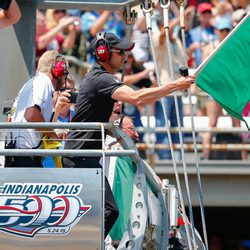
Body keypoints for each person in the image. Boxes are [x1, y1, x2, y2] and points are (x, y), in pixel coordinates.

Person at [62, 32, 195, 237]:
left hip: (81, 155)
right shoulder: (102, 78)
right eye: (120, 52)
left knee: (99, 212)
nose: (125, 57)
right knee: (108, 211)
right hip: (80, 156)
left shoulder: (99, 76)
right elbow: (136, 98)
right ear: (103, 53)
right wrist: (175, 85)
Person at [5, 50, 71, 167]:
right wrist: (52, 134)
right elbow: (31, 114)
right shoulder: (43, 81)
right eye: (64, 72)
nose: (64, 76)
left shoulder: (35, 82)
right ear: (57, 69)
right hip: (26, 158)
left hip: (21, 156)